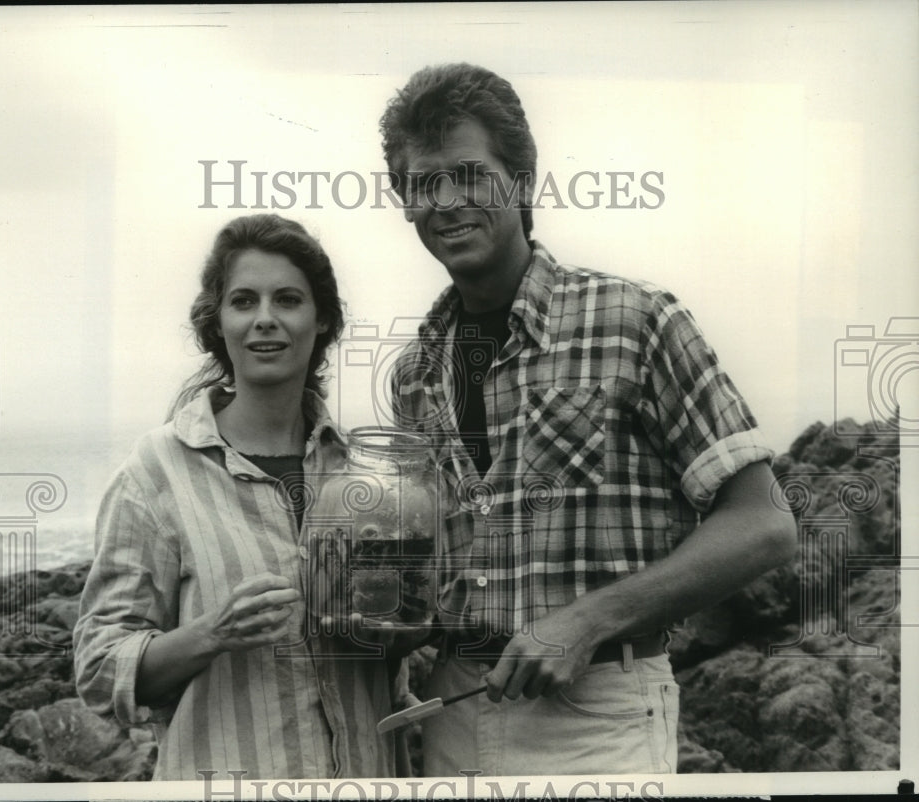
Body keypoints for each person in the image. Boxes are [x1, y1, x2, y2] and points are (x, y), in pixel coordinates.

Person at [378, 63, 798, 776]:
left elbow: (764, 524)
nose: (447, 202)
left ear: (523, 180)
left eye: (470, 174)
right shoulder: (413, 374)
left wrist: (585, 622)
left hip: (600, 715)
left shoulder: (635, 320)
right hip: (452, 711)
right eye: (423, 184)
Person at [73, 214, 396, 780]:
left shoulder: (359, 474)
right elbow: (100, 668)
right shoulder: (157, 471)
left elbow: (392, 645)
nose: (265, 320)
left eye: (288, 300)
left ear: (321, 319)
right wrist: (212, 633)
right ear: (217, 323)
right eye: (244, 301)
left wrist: (399, 618)